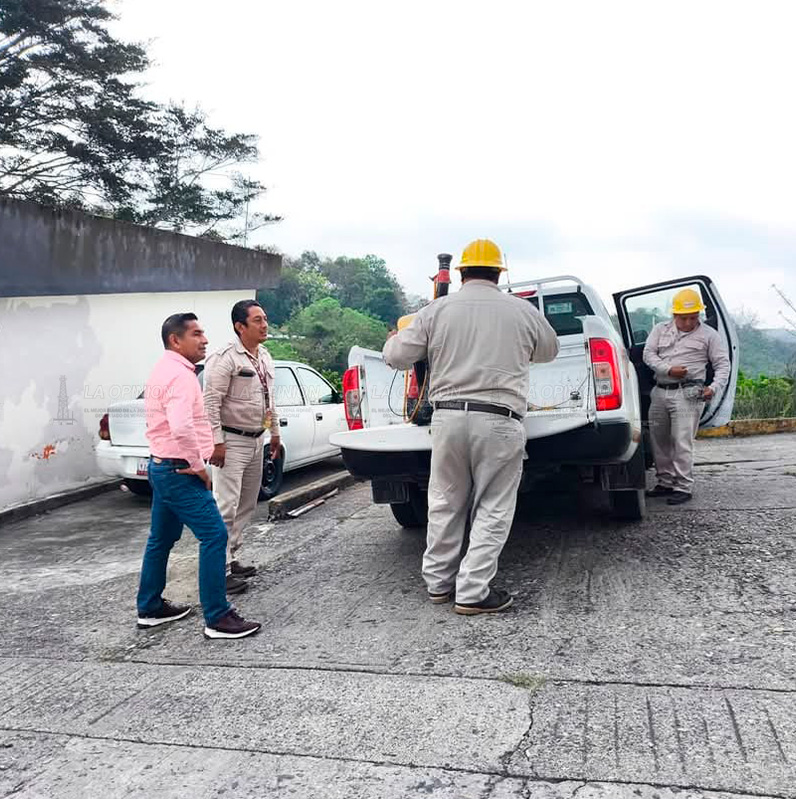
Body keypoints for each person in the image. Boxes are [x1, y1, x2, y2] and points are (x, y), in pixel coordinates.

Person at [383, 239, 559, 615]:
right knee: (493, 505)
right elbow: (549, 351)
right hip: (499, 418)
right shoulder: (521, 310)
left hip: (447, 417)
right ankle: (473, 591)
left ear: (461, 273)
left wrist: (395, 341)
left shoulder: (435, 310)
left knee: (445, 501)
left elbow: (397, 357)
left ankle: (438, 584)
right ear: (499, 273)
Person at [136, 312, 262, 640]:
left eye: (203, 333)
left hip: (161, 466)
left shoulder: (163, 369)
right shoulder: (180, 376)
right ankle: (218, 617)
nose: (204, 339)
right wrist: (197, 466)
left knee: (161, 539)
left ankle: (150, 607)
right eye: (196, 334)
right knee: (215, 536)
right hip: (179, 469)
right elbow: (180, 427)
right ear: (175, 340)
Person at [203, 300, 280, 590]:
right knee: (225, 506)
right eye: (258, 320)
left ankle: (231, 556)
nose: (264, 325)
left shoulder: (264, 357)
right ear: (240, 326)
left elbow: (270, 399)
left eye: (265, 319)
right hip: (231, 442)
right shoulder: (225, 358)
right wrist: (217, 442)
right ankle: (219, 572)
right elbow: (210, 402)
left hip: (256, 439)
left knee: (247, 504)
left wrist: (275, 434)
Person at [643, 288, 730, 505]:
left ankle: (683, 486)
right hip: (661, 390)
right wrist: (668, 369)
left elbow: (722, 365)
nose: (690, 322)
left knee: (681, 441)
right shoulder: (659, 330)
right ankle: (665, 482)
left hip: (689, 393)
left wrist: (714, 387)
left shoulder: (709, 335)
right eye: (684, 318)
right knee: (659, 440)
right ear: (674, 315)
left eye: (694, 317)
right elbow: (647, 354)